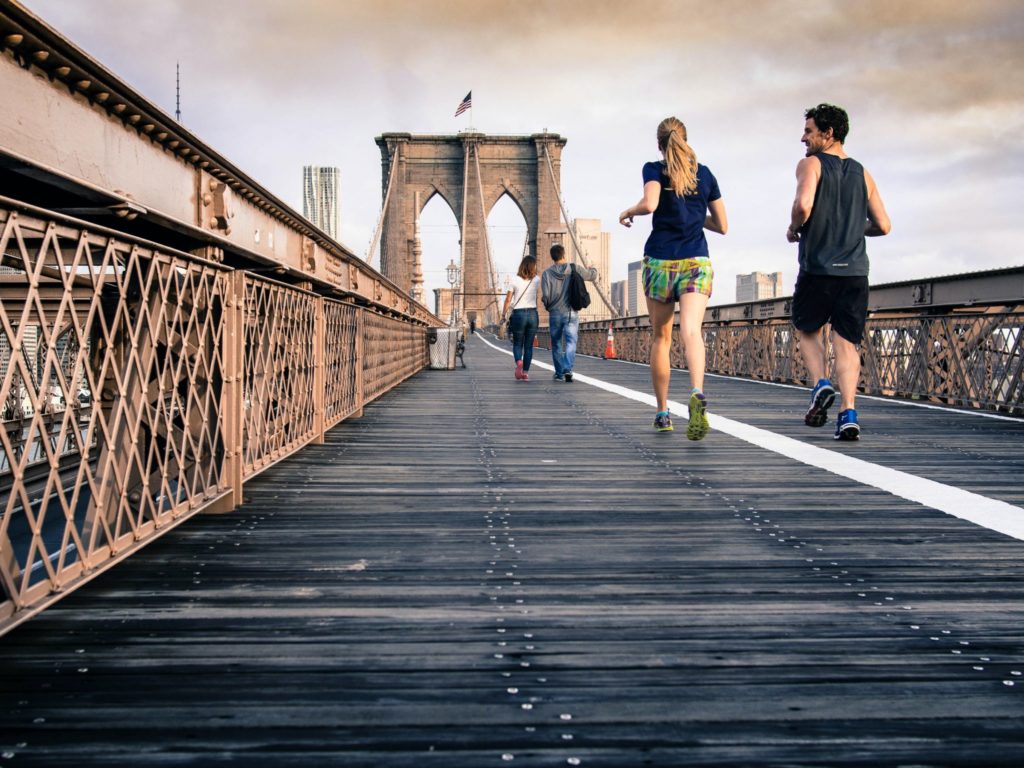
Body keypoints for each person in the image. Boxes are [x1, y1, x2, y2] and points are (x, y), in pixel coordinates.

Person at [786, 103, 890, 440]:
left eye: (809, 131)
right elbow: (883, 225)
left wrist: (794, 228)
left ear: (828, 134)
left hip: (818, 267)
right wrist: (852, 229)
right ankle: (848, 413)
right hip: (856, 272)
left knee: (807, 329)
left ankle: (820, 385)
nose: (803, 138)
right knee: (847, 345)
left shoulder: (811, 164)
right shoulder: (863, 172)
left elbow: (803, 206)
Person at [619, 116, 727, 439]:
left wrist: (628, 211)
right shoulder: (704, 174)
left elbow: (651, 203)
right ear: (685, 138)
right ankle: (696, 391)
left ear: (659, 144)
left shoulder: (654, 168)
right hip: (696, 260)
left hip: (661, 261)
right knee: (692, 331)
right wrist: (695, 216)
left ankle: (663, 412)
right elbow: (722, 225)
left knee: (661, 339)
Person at [541, 243, 597, 383]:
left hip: (555, 313)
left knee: (556, 343)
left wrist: (550, 307)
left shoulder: (546, 274)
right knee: (571, 341)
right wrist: (593, 268)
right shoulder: (574, 268)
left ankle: (559, 374)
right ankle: (568, 368)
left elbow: (546, 296)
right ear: (564, 255)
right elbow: (592, 276)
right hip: (571, 312)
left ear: (552, 257)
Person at [501, 255, 540, 381]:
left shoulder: (514, 280)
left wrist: (503, 315)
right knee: (528, 346)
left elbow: (508, 300)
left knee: (517, 343)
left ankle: (519, 361)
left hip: (518, 315)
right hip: (533, 314)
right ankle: (525, 373)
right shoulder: (537, 280)